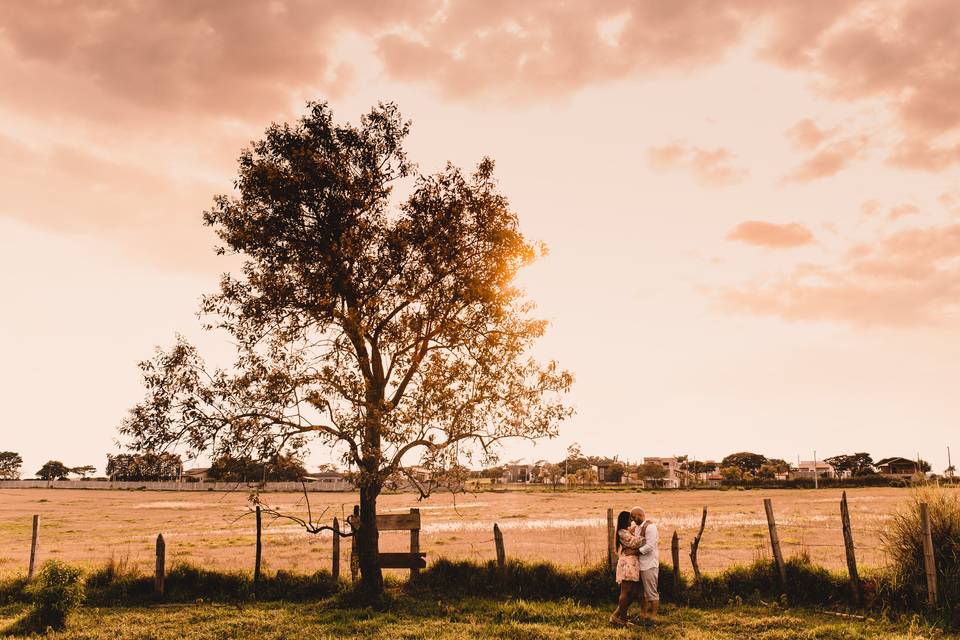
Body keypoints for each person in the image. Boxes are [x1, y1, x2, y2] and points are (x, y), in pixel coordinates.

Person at [609, 510, 647, 627]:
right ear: (625, 520)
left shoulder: (627, 531)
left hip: (633, 563)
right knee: (625, 592)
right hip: (627, 563)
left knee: (634, 592)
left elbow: (634, 541)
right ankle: (623, 620)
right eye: (630, 518)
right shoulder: (622, 532)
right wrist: (645, 535)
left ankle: (615, 616)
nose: (632, 520)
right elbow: (635, 542)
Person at [631, 506, 660, 622]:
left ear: (640, 515)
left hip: (649, 564)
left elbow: (650, 546)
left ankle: (653, 616)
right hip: (640, 564)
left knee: (651, 591)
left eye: (634, 517)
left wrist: (636, 552)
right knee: (641, 592)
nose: (633, 519)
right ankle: (643, 614)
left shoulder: (650, 527)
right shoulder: (637, 527)